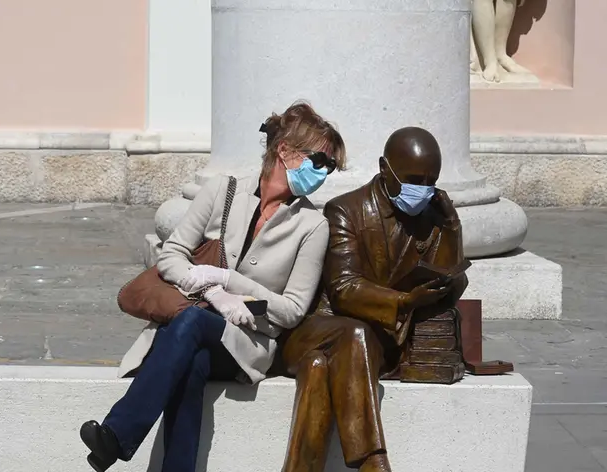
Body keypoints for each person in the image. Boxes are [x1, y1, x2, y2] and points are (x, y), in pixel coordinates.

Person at [79, 102, 346, 472]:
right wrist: (212, 293)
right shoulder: (223, 192)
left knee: (187, 325)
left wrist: (229, 281)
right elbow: (171, 256)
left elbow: (293, 309)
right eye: (319, 160)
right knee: (192, 362)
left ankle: (117, 435)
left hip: (250, 341)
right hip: (200, 325)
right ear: (284, 151)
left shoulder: (312, 226)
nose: (324, 172)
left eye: (330, 166)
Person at [278, 127, 468, 472]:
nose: (422, 189)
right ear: (384, 168)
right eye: (413, 179)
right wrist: (405, 301)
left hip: (377, 347)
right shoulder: (345, 211)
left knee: (318, 370)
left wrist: (452, 229)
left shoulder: (434, 217)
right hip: (318, 332)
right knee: (352, 335)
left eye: (430, 180)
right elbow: (344, 288)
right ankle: (372, 462)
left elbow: (450, 285)